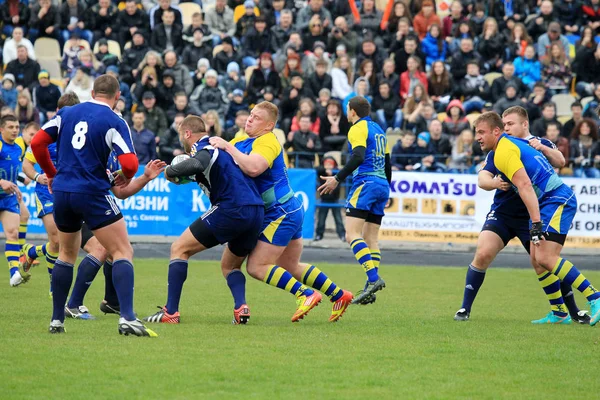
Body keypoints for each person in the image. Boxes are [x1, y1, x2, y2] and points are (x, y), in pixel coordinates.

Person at [30, 74, 157, 337]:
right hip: (92, 191)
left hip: (63, 192)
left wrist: (52, 173)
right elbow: (131, 164)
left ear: (91, 91)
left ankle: (57, 320)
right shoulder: (114, 119)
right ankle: (128, 318)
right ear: (118, 95)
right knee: (122, 250)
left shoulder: (67, 113)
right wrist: (126, 175)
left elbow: (37, 143)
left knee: (66, 254)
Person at [209, 102, 353, 323]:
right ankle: (339, 295)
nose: (249, 119)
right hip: (290, 209)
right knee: (290, 266)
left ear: (269, 126)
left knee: (256, 267)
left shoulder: (267, 141)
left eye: (256, 117)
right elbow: (221, 153)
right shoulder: (243, 141)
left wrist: (227, 147)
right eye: (250, 115)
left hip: (280, 212)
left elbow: (254, 167)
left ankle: (305, 294)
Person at [472, 108, 600, 326]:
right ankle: (560, 312)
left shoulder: (505, 150)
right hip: (549, 201)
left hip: (557, 200)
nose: (477, 138)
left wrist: (536, 224)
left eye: (481, 132)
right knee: (537, 257)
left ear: (496, 132)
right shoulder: (513, 145)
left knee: (546, 258)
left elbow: (524, 186)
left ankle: (595, 297)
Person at [143, 115, 264, 325]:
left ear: (187, 133)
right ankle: (241, 307)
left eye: (182, 134)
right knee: (230, 266)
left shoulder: (205, 145)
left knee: (179, 249)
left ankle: (170, 312)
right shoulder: (223, 148)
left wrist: (170, 170)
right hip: (255, 210)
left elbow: (199, 163)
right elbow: (202, 171)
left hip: (231, 207)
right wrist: (181, 176)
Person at [319, 96, 391, 305]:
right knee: (371, 239)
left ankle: (373, 278)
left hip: (366, 183)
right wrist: (387, 188)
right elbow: (387, 163)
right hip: (381, 185)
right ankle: (370, 287)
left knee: (352, 235)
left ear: (352, 111)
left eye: (347, 110)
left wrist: (337, 178)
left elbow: (358, 156)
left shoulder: (357, 128)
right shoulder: (378, 129)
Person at [0, 115, 28, 287]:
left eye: (17, 127)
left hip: (8, 197)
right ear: (1, 129)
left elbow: (11, 167)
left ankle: (14, 273)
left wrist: (17, 181)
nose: (15, 130)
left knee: (13, 233)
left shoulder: (20, 146)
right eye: (10, 127)